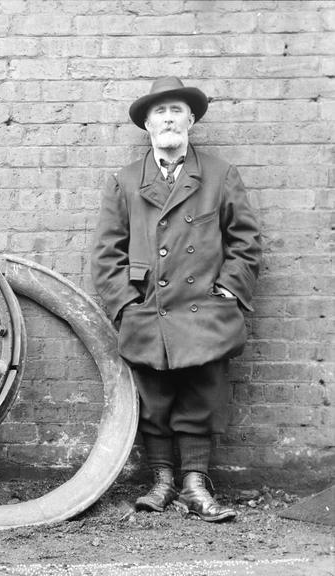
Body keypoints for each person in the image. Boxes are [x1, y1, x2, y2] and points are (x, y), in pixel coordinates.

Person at [91, 77, 261, 522]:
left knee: (203, 396)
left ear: (190, 121)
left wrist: (228, 291)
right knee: (155, 398)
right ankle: (163, 480)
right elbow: (107, 253)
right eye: (160, 112)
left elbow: (245, 242)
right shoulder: (126, 183)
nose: (169, 119)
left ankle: (194, 483)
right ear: (147, 125)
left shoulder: (219, 175)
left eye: (176, 111)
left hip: (206, 310)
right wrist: (125, 306)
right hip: (150, 310)